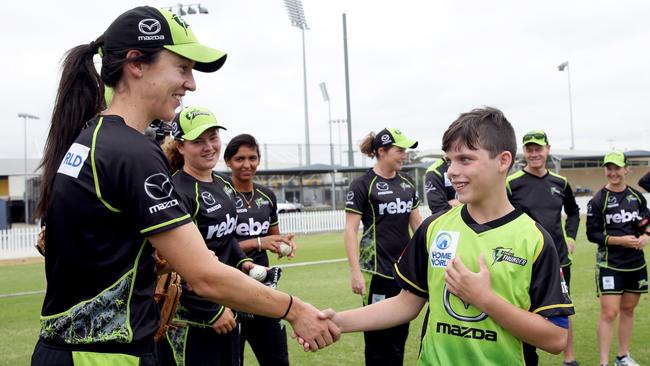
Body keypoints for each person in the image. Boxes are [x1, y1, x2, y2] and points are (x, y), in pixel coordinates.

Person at [32, 6, 338, 365]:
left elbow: (95, 252)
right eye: (182, 68)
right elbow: (205, 277)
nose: (191, 83)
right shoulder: (133, 150)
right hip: (104, 358)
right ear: (136, 63)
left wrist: (150, 264)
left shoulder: (91, 137)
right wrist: (294, 310)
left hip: (66, 351)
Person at [323, 107, 574, 365]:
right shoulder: (434, 228)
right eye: (449, 160)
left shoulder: (534, 240)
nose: (452, 171)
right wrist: (339, 321)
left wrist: (485, 299)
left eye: (465, 159)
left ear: (503, 161)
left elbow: (555, 338)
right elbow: (406, 303)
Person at [156, 106, 256, 366]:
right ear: (180, 147)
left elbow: (225, 240)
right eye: (198, 141)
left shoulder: (223, 185)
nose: (209, 147)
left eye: (213, 138)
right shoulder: (176, 190)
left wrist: (244, 263)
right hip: (191, 318)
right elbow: (174, 262)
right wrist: (212, 311)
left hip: (226, 306)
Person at [343, 128, 423, 366]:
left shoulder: (407, 184)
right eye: (399, 150)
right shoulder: (362, 185)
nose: (404, 155)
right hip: (375, 273)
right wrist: (356, 272)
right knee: (377, 342)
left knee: (399, 339)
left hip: (403, 273)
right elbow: (350, 230)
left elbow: (418, 226)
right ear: (382, 151)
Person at [506, 130, 580, 366]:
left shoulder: (561, 182)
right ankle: (522, 357)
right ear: (524, 152)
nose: (534, 153)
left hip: (559, 259)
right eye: (529, 149)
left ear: (548, 149)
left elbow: (574, 212)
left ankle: (569, 359)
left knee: (562, 309)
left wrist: (571, 237)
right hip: (523, 260)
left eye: (539, 148)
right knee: (523, 309)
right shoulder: (511, 183)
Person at [224, 133, 296, 366]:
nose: (247, 164)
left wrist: (283, 243)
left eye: (252, 158)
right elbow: (218, 244)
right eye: (240, 159)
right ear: (228, 162)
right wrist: (258, 242)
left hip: (263, 289)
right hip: (229, 290)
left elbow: (272, 237)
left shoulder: (267, 195)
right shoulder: (220, 194)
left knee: (276, 359)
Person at [586, 151, 650, 366]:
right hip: (610, 264)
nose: (613, 172)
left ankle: (622, 357)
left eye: (617, 168)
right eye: (609, 168)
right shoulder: (598, 199)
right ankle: (604, 362)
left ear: (626, 169)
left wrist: (646, 237)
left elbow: (646, 222)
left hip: (636, 263)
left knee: (628, 310)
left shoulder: (637, 196)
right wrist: (620, 240)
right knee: (609, 313)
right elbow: (592, 234)